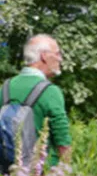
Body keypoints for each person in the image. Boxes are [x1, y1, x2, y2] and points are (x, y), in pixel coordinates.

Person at [1, 34, 72, 168]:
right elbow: (63, 143)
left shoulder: (5, 87)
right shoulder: (50, 91)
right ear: (44, 56)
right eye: (58, 53)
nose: (60, 59)